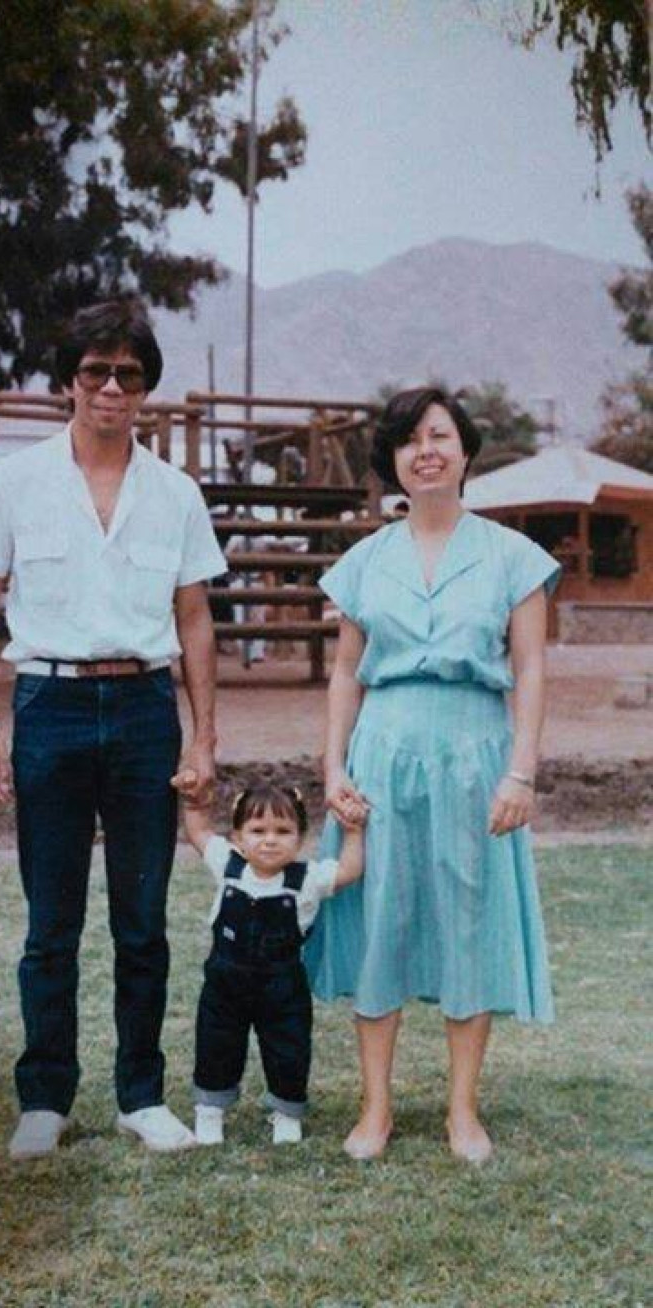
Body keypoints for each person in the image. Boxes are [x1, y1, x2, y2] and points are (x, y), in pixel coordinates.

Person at [0, 299, 227, 1160]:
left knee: (142, 921)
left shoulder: (176, 492)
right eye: (96, 372)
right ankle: (45, 1099)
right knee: (52, 923)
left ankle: (141, 1097)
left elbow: (195, 620)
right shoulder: (16, 482)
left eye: (130, 375)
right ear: (70, 381)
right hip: (49, 705)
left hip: (145, 708)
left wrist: (202, 738)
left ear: (145, 389)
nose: (112, 388)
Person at [305, 386, 560, 1164]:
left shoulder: (514, 557)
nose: (427, 450)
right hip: (382, 754)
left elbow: (532, 669)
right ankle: (375, 1110)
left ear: (466, 451)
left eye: (440, 435)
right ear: (392, 460)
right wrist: (333, 764)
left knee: (468, 921)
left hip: (477, 754)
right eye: (411, 439)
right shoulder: (364, 560)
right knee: (378, 918)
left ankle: (462, 1112)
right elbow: (347, 670)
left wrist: (521, 771)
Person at [175, 778, 366, 1146]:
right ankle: (210, 1111)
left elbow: (349, 872)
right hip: (225, 984)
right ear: (237, 837)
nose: (270, 839)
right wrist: (194, 797)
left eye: (283, 831)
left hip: (282, 988)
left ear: (299, 838)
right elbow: (198, 830)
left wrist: (354, 832)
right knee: (216, 1044)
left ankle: (286, 1112)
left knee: (288, 1049)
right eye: (257, 830)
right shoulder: (228, 865)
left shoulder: (307, 879)